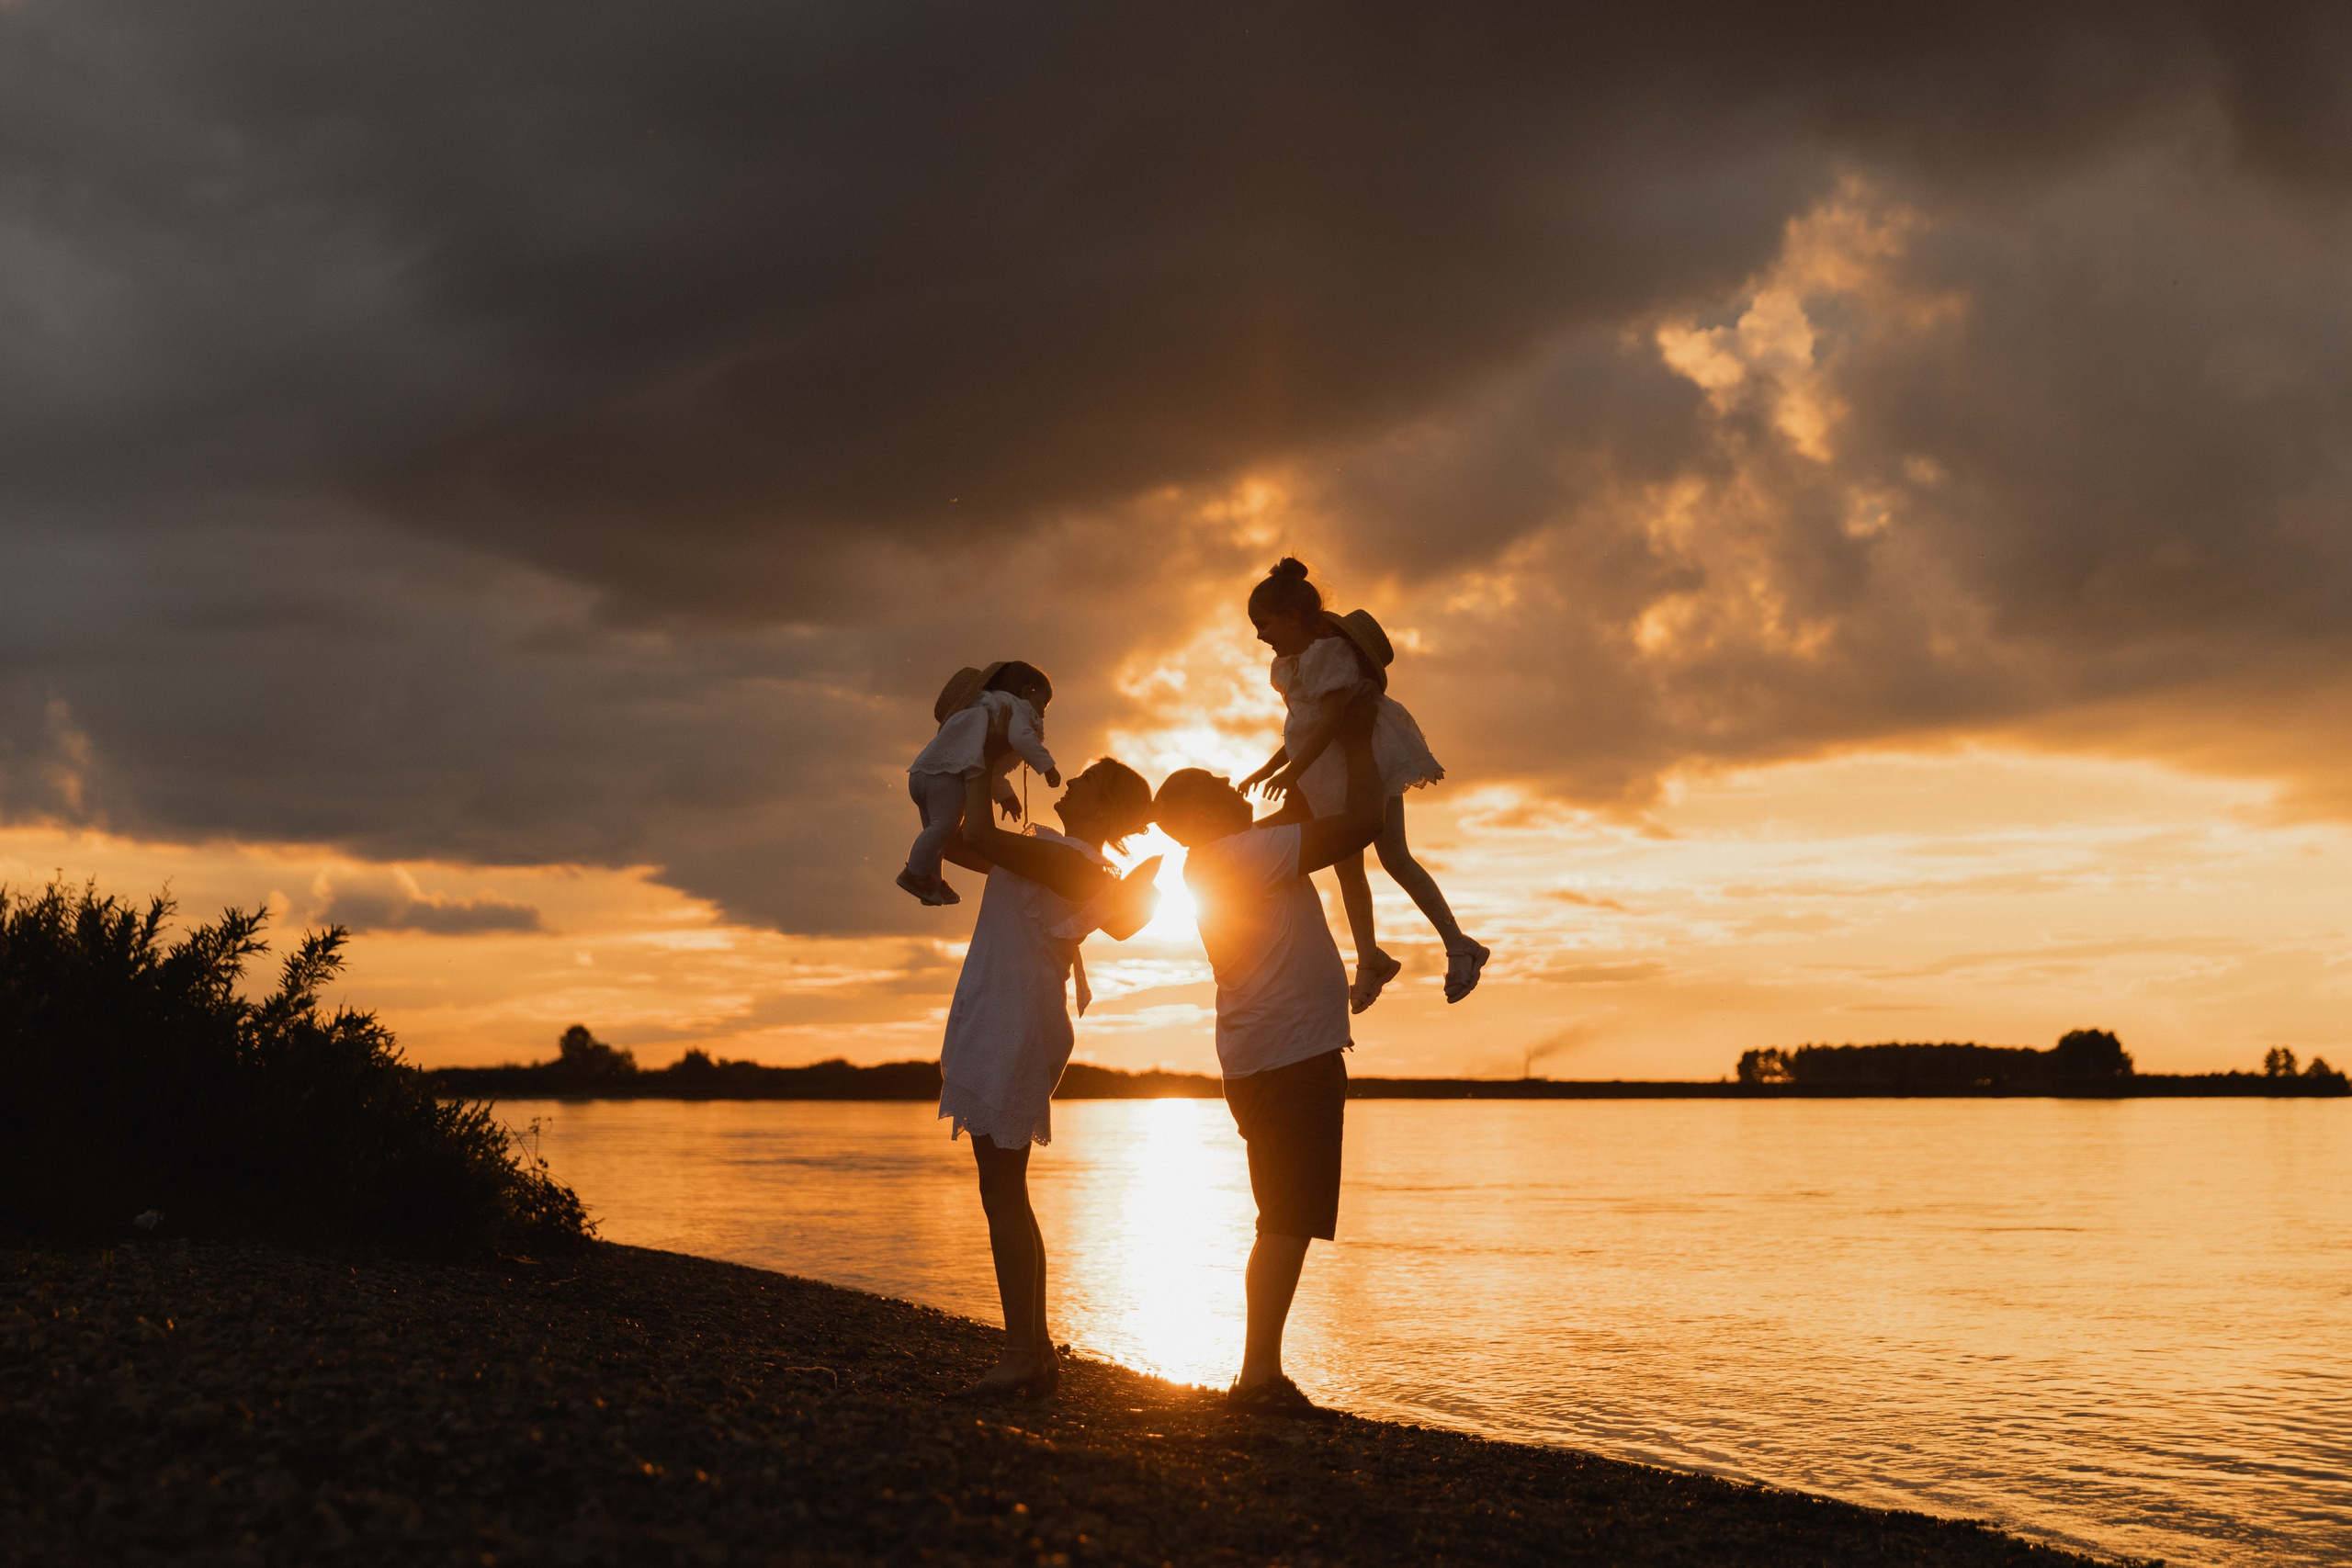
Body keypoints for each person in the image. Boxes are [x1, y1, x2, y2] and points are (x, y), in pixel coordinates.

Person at [1151, 687, 1385, 1418]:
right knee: (1287, 1215)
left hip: (1265, 1057)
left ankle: (1259, 1369)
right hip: (1291, 1057)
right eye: (1218, 784)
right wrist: (1356, 741)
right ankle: (1258, 1375)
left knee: (1280, 1214)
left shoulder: (1222, 857)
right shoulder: (1241, 853)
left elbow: (1308, 805)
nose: (1234, 783)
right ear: (1200, 817)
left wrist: (1310, 742)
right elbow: (1361, 824)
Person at [935, 735, 1160, 1402]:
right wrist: (987, 772)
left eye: (1088, 780)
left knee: (1003, 1191)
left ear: (1105, 807)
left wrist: (987, 755)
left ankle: (1023, 1355)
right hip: (1005, 1014)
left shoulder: (1070, 861)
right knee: (1005, 1191)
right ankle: (1030, 1351)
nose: (1074, 781)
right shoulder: (1052, 852)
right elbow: (953, 841)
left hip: (1016, 1024)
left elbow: (980, 836)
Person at [1237, 558, 1489, 1011]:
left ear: (1292, 618)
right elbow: (1302, 728)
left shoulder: (1329, 656)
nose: (1259, 635)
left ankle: (1459, 943)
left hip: (1363, 760)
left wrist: (1291, 772)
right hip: (1325, 770)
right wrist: (1270, 767)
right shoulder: (1289, 665)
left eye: (1263, 624)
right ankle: (1370, 957)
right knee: (1347, 869)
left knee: (1395, 857)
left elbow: (1331, 721)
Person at [900, 660, 1060, 907]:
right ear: (1027, 692)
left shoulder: (979, 709)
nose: (1043, 713)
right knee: (945, 828)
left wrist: (1005, 795)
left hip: (923, 773)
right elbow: (1021, 738)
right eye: (1043, 703)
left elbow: (986, 763)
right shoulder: (1014, 708)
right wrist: (1047, 767)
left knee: (938, 835)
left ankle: (931, 880)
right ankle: (914, 874)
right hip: (947, 777)